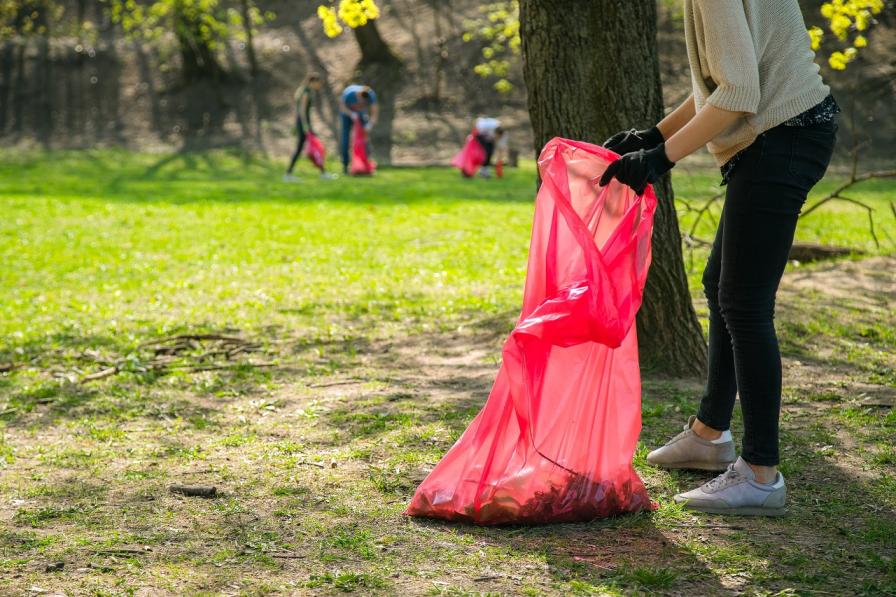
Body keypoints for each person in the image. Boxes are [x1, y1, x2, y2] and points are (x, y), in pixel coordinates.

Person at [600, 0, 838, 516]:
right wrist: (655, 134)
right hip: (784, 135)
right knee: (721, 287)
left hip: (783, 139)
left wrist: (660, 159)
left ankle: (760, 473)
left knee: (745, 305)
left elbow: (738, 95)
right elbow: (725, 81)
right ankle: (709, 434)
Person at [284, 72, 335, 181]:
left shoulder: (302, 90)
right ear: (313, 82)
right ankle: (288, 174)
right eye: (318, 83)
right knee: (311, 148)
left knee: (311, 148)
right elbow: (302, 110)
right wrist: (306, 126)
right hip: (304, 124)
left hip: (302, 123)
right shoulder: (306, 92)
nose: (319, 85)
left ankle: (323, 172)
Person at [339, 84, 378, 175]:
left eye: (364, 101)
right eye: (360, 99)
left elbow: (374, 112)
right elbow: (342, 107)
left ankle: (366, 164)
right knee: (346, 138)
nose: (361, 102)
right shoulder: (349, 93)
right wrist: (351, 114)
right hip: (346, 114)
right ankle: (345, 165)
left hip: (360, 114)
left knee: (365, 139)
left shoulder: (370, 95)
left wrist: (370, 124)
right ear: (358, 94)